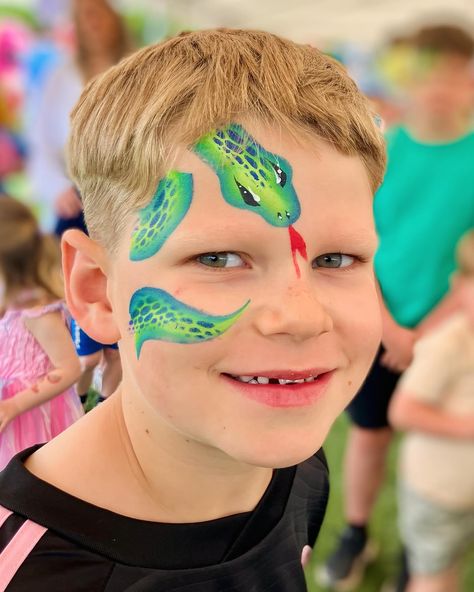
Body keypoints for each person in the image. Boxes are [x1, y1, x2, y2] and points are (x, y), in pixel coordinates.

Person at [0, 29, 385, 590]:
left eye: (337, 257)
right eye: (219, 257)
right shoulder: (24, 571)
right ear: (96, 291)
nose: (302, 316)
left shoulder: (293, 464)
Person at [318, 24, 474, 591]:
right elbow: (355, 244)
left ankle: (420, 554)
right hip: (379, 322)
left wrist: (428, 330)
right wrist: (389, 329)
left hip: (452, 331)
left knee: (430, 443)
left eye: (457, 73)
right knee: (370, 431)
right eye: (429, 72)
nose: (442, 87)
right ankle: (357, 532)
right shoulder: (385, 152)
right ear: (409, 75)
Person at [29, 0, 129, 406]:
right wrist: (56, 187)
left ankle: (111, 408)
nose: (93, 24)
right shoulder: (60, 76)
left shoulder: (134, 69)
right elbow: (41, 145)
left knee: (118, 314)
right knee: (78, 321)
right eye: (84, 16)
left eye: (98, 14)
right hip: (75, 207)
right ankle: (73, 405)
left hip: (121, 204)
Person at [388, 230, 474, 592]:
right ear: (460, 287)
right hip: (440, 493)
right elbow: (403, 412)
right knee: (436, 577)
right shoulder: (447, 346)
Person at [0, 196, 83, 471]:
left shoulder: (38, 313)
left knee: (33, 476)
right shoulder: (10, 299)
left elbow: (70, 369)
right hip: (10, 406)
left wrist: (14, 405)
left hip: (33, 415)